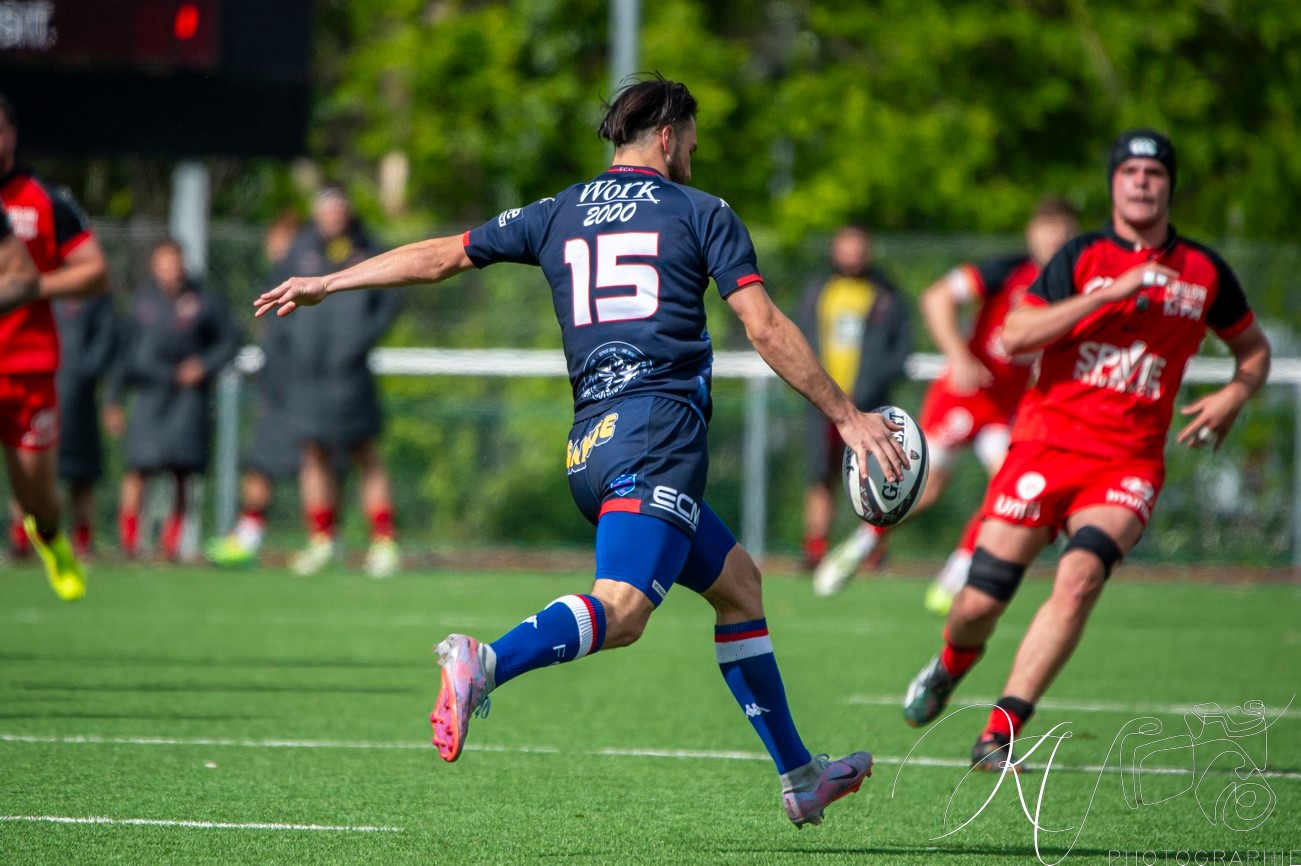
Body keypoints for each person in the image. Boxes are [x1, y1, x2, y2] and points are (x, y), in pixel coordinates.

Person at [255, 77, 910, 827]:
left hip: (591, 447)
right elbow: (762, 326)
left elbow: (441, 255)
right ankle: (485, 661)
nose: (693, 154)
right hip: (656, 437)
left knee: (739, 586)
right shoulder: (703, 211)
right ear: (668, 136)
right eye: (692, 141)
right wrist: (847, 416)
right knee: (622, 611)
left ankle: (800, 775)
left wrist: (329, 281)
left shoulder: (558, 210)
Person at [900, 130, 1271, 771]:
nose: (1142, 182)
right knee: (977, 606)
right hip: (1043, 449)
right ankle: (951, 664)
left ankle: (999, 732)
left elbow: (1254, 349)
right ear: (1113, 184)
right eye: (1130, 171)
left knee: (1079, 582)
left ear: (1169, 185)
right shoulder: (1081, 255)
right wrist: (1108, 292)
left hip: (1128, 463)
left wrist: (1236, 394)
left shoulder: (1205, 271)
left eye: (1154, 172)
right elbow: (1016, 334)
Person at [812, 200, 1078, 604]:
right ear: (1031, 233)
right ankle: (864, 541)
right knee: (927, 488)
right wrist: (959, 355)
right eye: (1048, 227)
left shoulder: (1074, 285)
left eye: (1063, 229)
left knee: (1009, 486)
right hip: (964, 396)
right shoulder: (1005, 270)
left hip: (1005, 407)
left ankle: (958, 570)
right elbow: (935, 297)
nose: (1055, 237)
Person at [0, 93, 109, 600]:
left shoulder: (44, 199)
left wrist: (28, 288)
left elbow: (95, 272)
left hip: (26, 365)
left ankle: (51, 539)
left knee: (37, 495)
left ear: (11, 135)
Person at [278, 189, 401, 578]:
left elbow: (390, 302)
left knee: (365, 452)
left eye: (340, 209)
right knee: (313, 453)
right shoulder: (298, 250)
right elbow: (276, 297)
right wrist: (294, 347)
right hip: (308, 375)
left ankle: (384, 543)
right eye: (327, 210)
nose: (334, 217)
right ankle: (322, 541)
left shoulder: (369, 249)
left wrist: (360, 339)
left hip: (351, 374)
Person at [109, 239, 240, 560]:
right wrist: (113, 399)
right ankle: (129, 544)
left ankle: (170, 546)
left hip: (188, 399)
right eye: (164, 264)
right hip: (150, 395)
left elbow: (230, 341)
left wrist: (203, 365)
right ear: (155, 266)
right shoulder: (140, 303)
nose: (171, 270)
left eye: (175, 263)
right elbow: (122, 355)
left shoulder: (205, 300)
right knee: (138, 470)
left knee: (183, 472)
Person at [798, 226, 910, 571]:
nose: (854, 255)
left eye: (859, 248)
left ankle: (872, 549)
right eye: (847, 247)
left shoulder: (887, 294)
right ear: (835, 251)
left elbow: (900, 351)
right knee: (821, 474)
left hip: (869, 405)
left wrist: (873, 384)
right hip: (823, 404)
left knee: (877, 475)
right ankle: (815, 548)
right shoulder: (818, 290)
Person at [206, 213, 303, 567]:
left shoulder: (312, 281)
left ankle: (323, 540)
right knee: (260, 464)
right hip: (276, 394)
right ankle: (247, 541)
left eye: (283, 238)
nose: (273, 245)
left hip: (306, 393)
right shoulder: (276, 279)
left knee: (317, 466)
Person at [52, 293, 118, 556]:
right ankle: (29, 542)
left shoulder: (99, 299)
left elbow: (107, 342)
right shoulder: (40, 292)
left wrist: (83, 372)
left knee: (83, 477)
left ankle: (82, 542)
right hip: (42, 396)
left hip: (82, 403)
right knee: (34, 476)